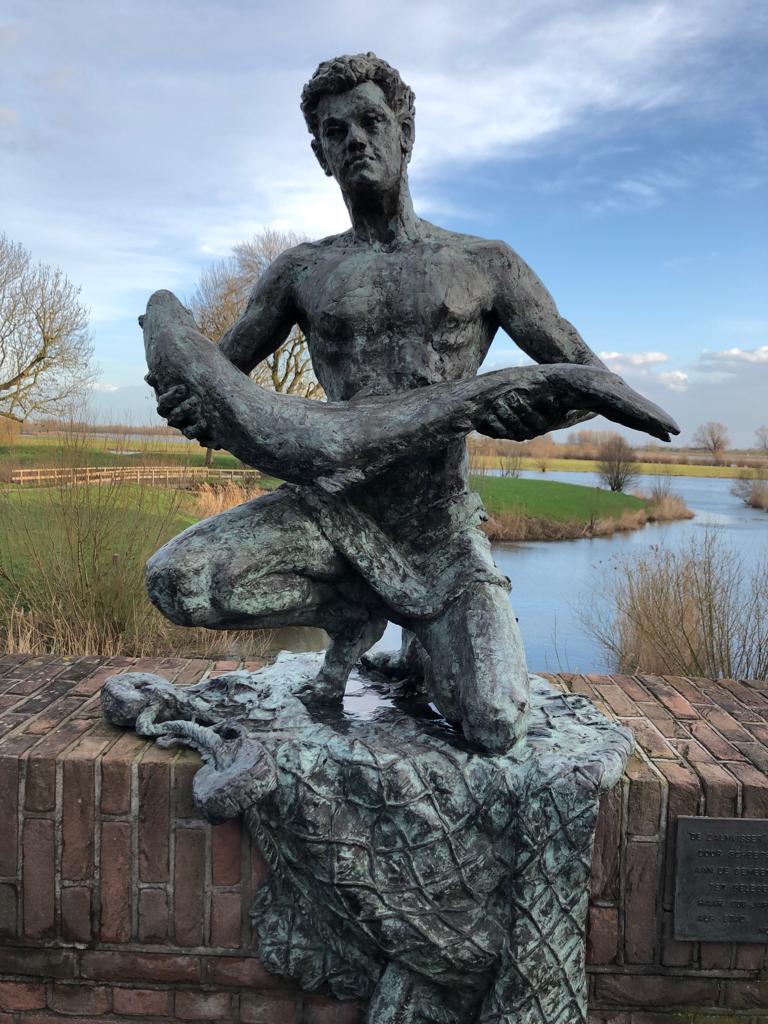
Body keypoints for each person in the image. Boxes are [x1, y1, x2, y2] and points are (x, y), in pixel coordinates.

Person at [147, 53, 614, 753]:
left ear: (406, 133)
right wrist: (189, 407)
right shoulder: (301, 272)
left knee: (496, 722)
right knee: (178, 583)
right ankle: (355, 610)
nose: (356, 141)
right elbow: (220, 383)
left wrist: (539, 416)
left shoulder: (487, 263)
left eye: (371, 122)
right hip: (330, 511)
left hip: (438, 529)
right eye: (336, 133)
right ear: (321, 155)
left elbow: (588, 379)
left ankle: (431, 637)